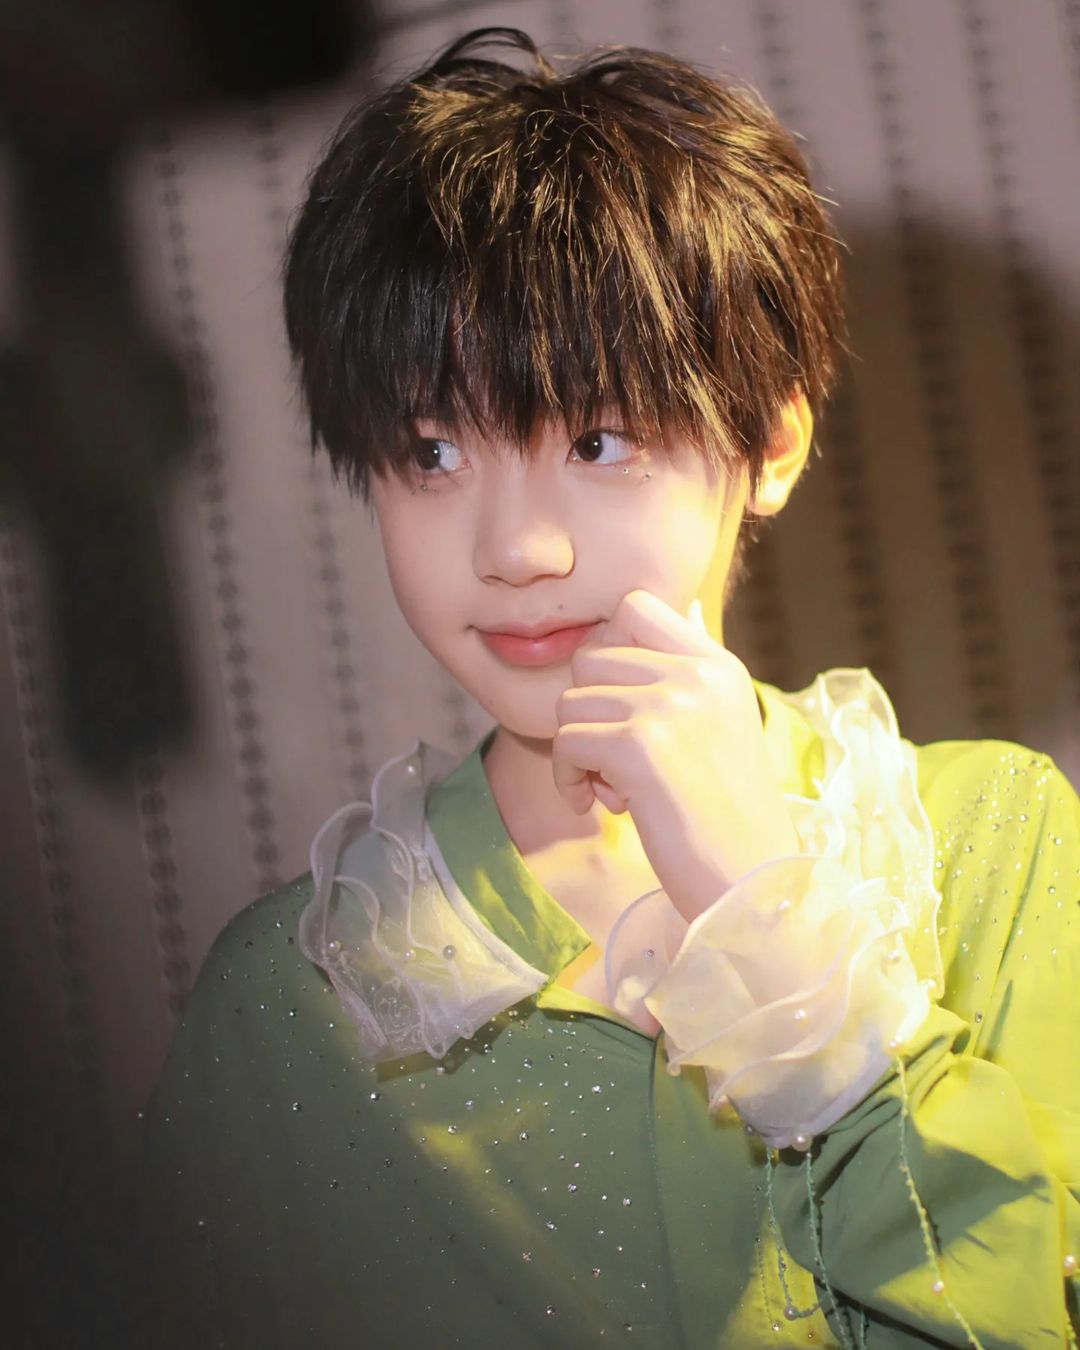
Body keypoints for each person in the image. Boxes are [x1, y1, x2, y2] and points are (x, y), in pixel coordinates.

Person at [135, 27, 1080, 1348]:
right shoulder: (292, 1003)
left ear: (772, 442)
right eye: (433, 451)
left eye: (597, 438)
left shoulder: (983, 843)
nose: (517, 548)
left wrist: (777, 925)